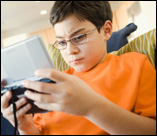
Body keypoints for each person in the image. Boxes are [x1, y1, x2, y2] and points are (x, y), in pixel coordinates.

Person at [1, 1, 156, 135]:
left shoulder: (134, 64)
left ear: (106, 30)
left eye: (79, 37)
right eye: (61, 42)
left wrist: (90, 107)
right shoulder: (54, 83)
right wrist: (25, 126)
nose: (70, 51)